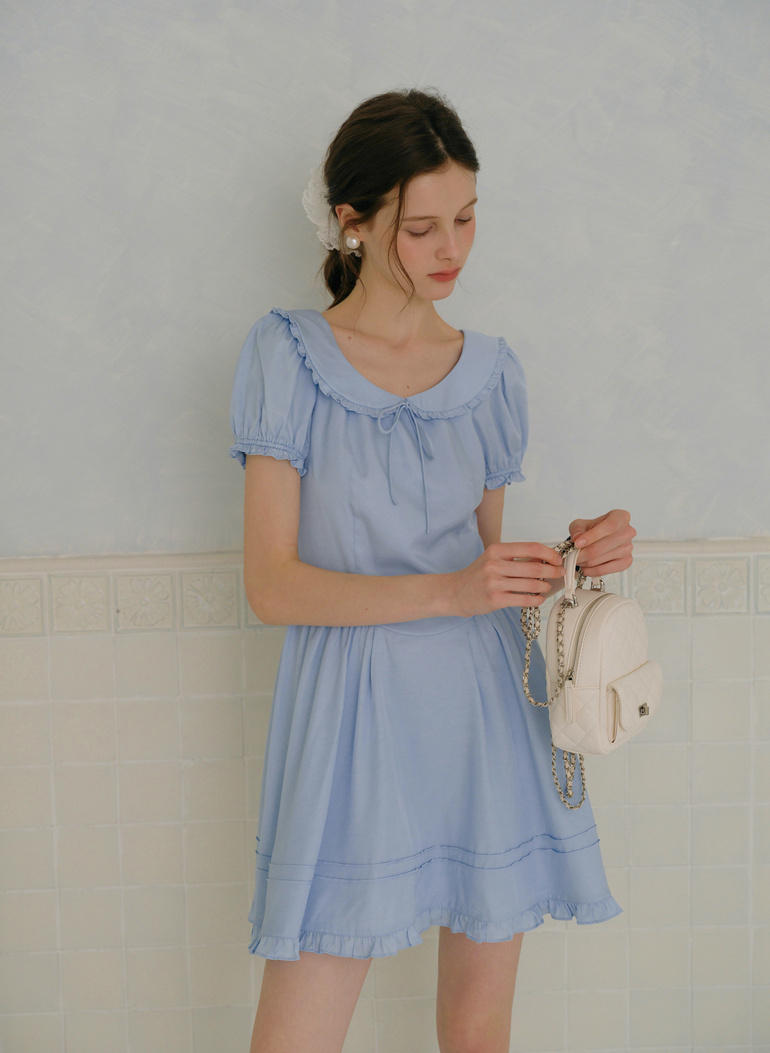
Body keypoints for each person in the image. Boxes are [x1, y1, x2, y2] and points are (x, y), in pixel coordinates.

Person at [229, 87, 636, 1053]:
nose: (452, 249)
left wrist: (573, 557)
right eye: (421, 228)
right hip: (352, 712)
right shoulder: (288, 356)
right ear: (354, 221)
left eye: (466, 219)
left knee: (477, 1028)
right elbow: (271, 585)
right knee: (296, 1036)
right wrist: (453, 590)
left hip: (486, 715)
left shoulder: (491, 373)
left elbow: (485, 567)